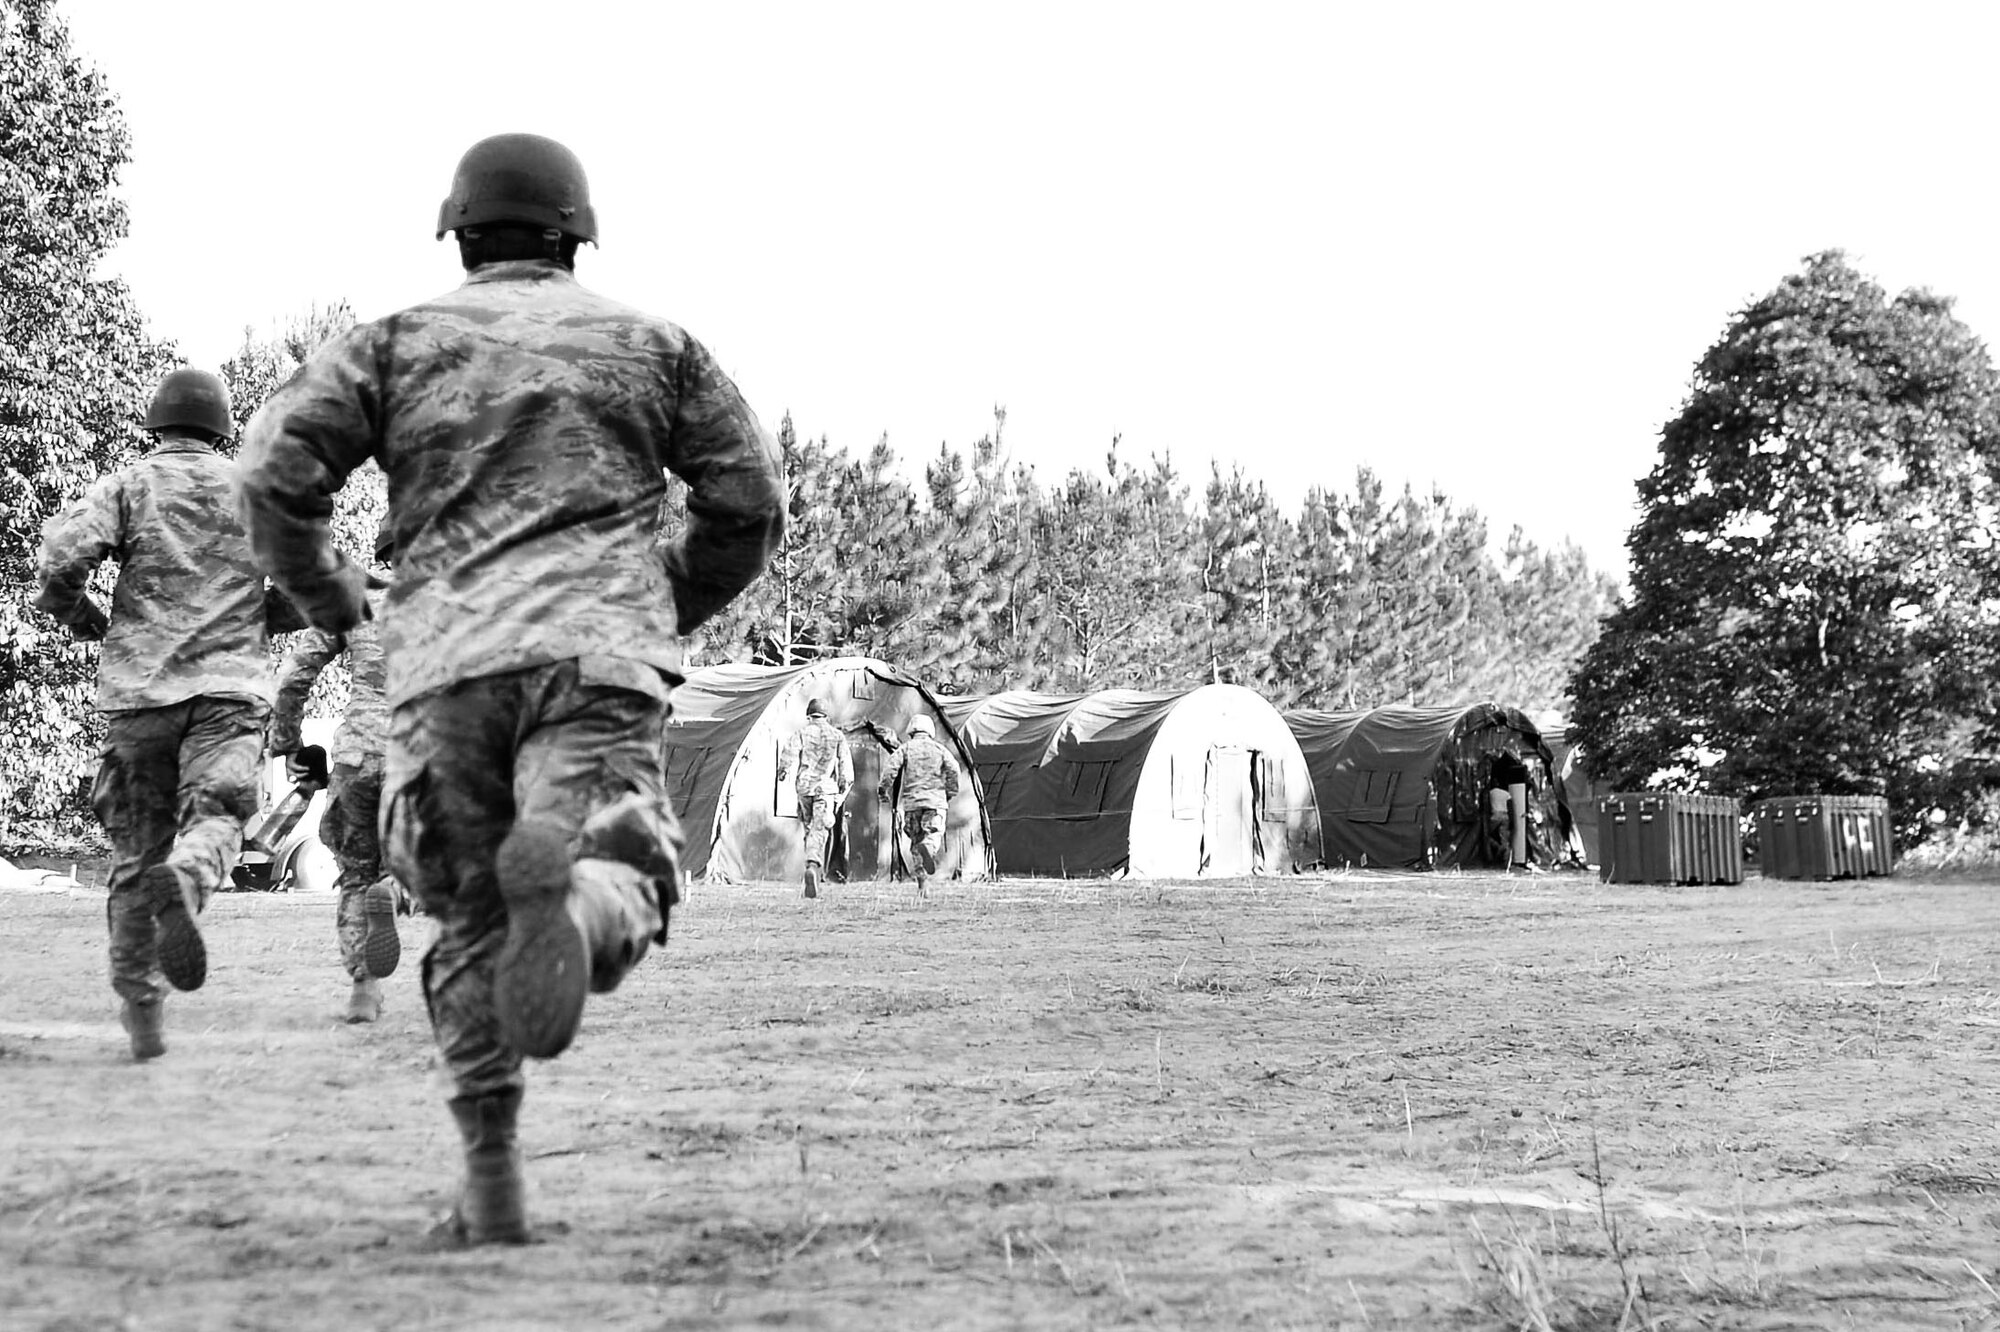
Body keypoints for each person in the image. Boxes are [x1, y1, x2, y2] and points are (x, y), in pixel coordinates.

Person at [234, 132, 785, 1245]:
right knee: (621, 860)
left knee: (469, 921)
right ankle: (581, 905)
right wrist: (654, 607)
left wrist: (337, 605)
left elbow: (270, 476)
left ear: (459, 230)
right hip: (596, 665)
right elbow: (748, 499)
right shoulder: (653, 345)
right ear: (576, 235)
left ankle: (491, 1184)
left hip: (446, 672)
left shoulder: (393, 345)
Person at [34, 368, 275, 1061]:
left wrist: (84, 617)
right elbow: (312, 581)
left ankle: (142, 1009)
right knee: (219, 815)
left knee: (136, 853)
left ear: (157, 423)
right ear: (224, 427)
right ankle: (192, 876)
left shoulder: (129, 483)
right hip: (229, 696)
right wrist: (258, 617)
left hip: (140, 697)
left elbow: (59, 557)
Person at [266, 519, 403, 1023]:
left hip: (357, 758)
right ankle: (403, 888)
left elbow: (295, 675)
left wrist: (290, 745)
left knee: (357, 874)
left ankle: (363, 991)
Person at [776, 698, 852, 898]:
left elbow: (788, 754)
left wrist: (782, 771)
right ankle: (812, 865)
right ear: (826, 716)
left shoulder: (801, 733)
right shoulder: (837, 736)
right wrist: (843, 787)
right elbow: (846, 769)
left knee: (810, 829)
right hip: (825, 789)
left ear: (809, 715)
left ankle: (815, 877)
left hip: (804, 789)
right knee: (820, 831)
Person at [876, 715, 960, 897]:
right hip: (935, 802)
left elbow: (890, 770)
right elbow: (954, 769)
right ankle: (929, 848)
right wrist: (950, 792)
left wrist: (883, 791)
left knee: (915, 842)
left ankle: (923, 882)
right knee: (933, 834)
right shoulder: (940, 749)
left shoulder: (905, 749)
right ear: (930, 730)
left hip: (912, 804)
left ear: (911, 730)